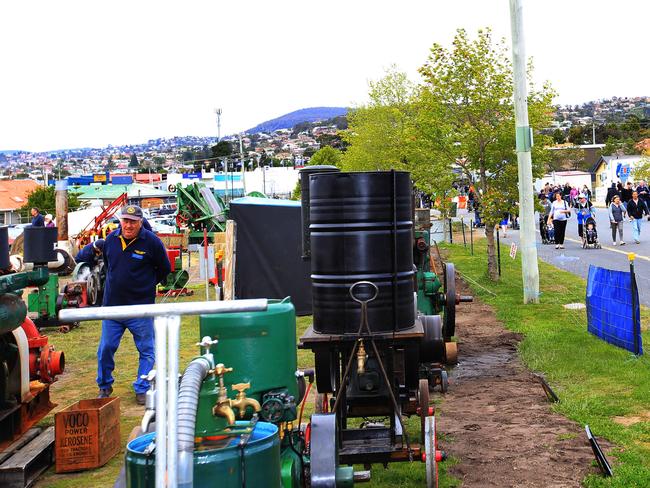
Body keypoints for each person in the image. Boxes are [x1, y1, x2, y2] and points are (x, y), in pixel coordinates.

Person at [97, 205, 171, 405]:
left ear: (140, 222)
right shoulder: (111, 240)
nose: (128, 225)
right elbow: (108, 265)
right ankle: (104, 386)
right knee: (106, 348)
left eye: (133, 221)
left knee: (146, 350)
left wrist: (147, 285)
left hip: (141, 308)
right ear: (121, 221)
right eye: (125, 220)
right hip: (112, 307)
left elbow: (165, 268)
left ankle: (142, 387)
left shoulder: (152, 242)